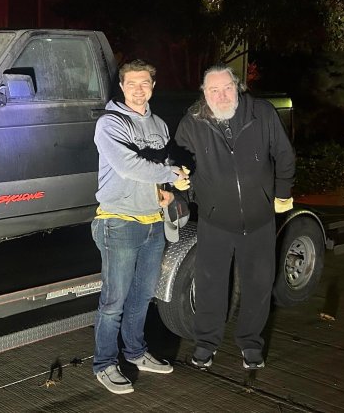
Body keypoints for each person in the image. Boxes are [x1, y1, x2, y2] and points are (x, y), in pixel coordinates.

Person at [174, 65, 295, 371]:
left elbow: (284, 154)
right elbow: (178, 161)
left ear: (237, 87)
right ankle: (205, 343)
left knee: (258, 284)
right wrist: (179, 183)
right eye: (213, 90)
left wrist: (282, 194)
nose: (221, 95)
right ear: (204, 93)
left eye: (227, 87)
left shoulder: (262, 113)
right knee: (210, 284)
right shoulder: (192, 122)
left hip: (259, 219)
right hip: (215, 220)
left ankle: (251, 343)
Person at [92, 59, 189, 394]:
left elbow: (161, 166)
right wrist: (170, 175)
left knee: (142, 296)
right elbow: (130, 166)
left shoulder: (160, 125)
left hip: (152, 222)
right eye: (131, 83)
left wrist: (168, 188)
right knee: (114, 300)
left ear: (153, 86)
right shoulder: (110, 123)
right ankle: (104, 363)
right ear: (121, 86)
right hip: (117, 221)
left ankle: (134, 353)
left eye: (144, 82)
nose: (138, 89)